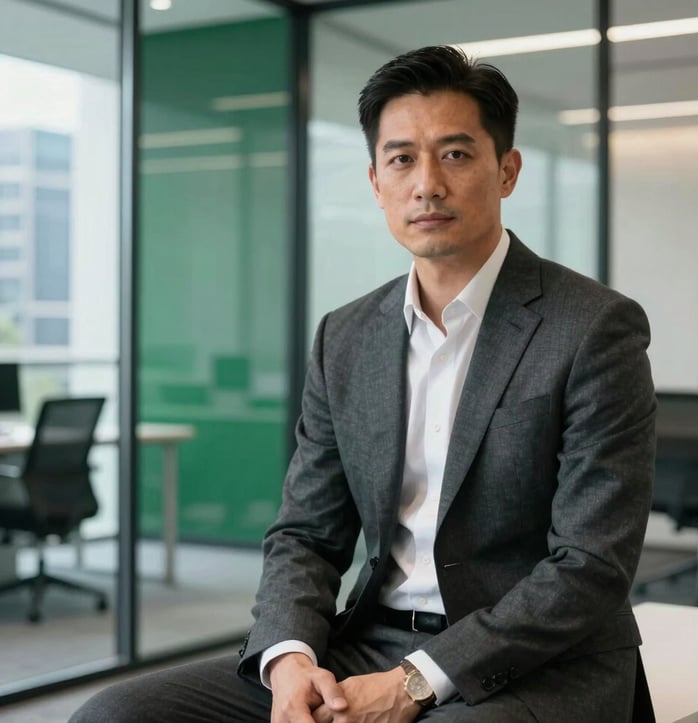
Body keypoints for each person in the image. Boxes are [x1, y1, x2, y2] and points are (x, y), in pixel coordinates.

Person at [71, 45, 656, 723]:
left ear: (507, 171)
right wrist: (289, 657)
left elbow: (590, 564)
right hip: (369, 643)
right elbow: (306, 533)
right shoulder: (345, 336)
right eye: (402, 158)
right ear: (376, 181)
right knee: (114, 715)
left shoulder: (592, 327)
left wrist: (414, 682)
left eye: (457, 154)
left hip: (536, 664)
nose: (427, 183)